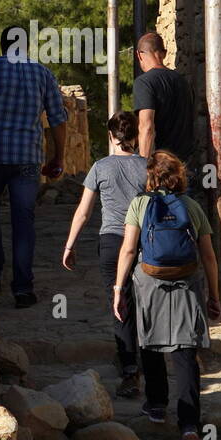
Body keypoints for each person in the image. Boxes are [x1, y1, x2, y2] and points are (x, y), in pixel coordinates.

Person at [114, 150, 221, 440]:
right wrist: (213, 295)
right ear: (179, 176)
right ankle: (189, 426)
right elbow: (209, 256)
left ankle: (158, 405)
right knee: (185, 349)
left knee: (150, 340)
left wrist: (118, 289)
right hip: (187, 281)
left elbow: (128, 250)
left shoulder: (139, 204)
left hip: (149, 281)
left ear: (151, 176)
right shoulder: (191, 206)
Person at [0, 25, 67, 308]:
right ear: (26, 46)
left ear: (3, 45)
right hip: (27, 161)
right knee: (23, 222)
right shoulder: (42, 73)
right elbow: (57, 118)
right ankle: (22, 288)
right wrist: (59, 157)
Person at [60, 111, 146, 398]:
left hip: (110, 242)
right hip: (143, 243)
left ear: (111, 136)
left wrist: (70, 244)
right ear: (135, 136)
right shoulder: (148, 168)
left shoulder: (100, 167)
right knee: (141, 301)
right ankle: (144, 359)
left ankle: (130, 368)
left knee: (118, 302)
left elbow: (83, 211)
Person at [133, 32, 196, 180]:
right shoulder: (183, 82)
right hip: (185, 166)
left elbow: (146, 127)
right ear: (164, 53)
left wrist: (144, 167)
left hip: (162, 168)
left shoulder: (144, 83)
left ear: (139, 55)